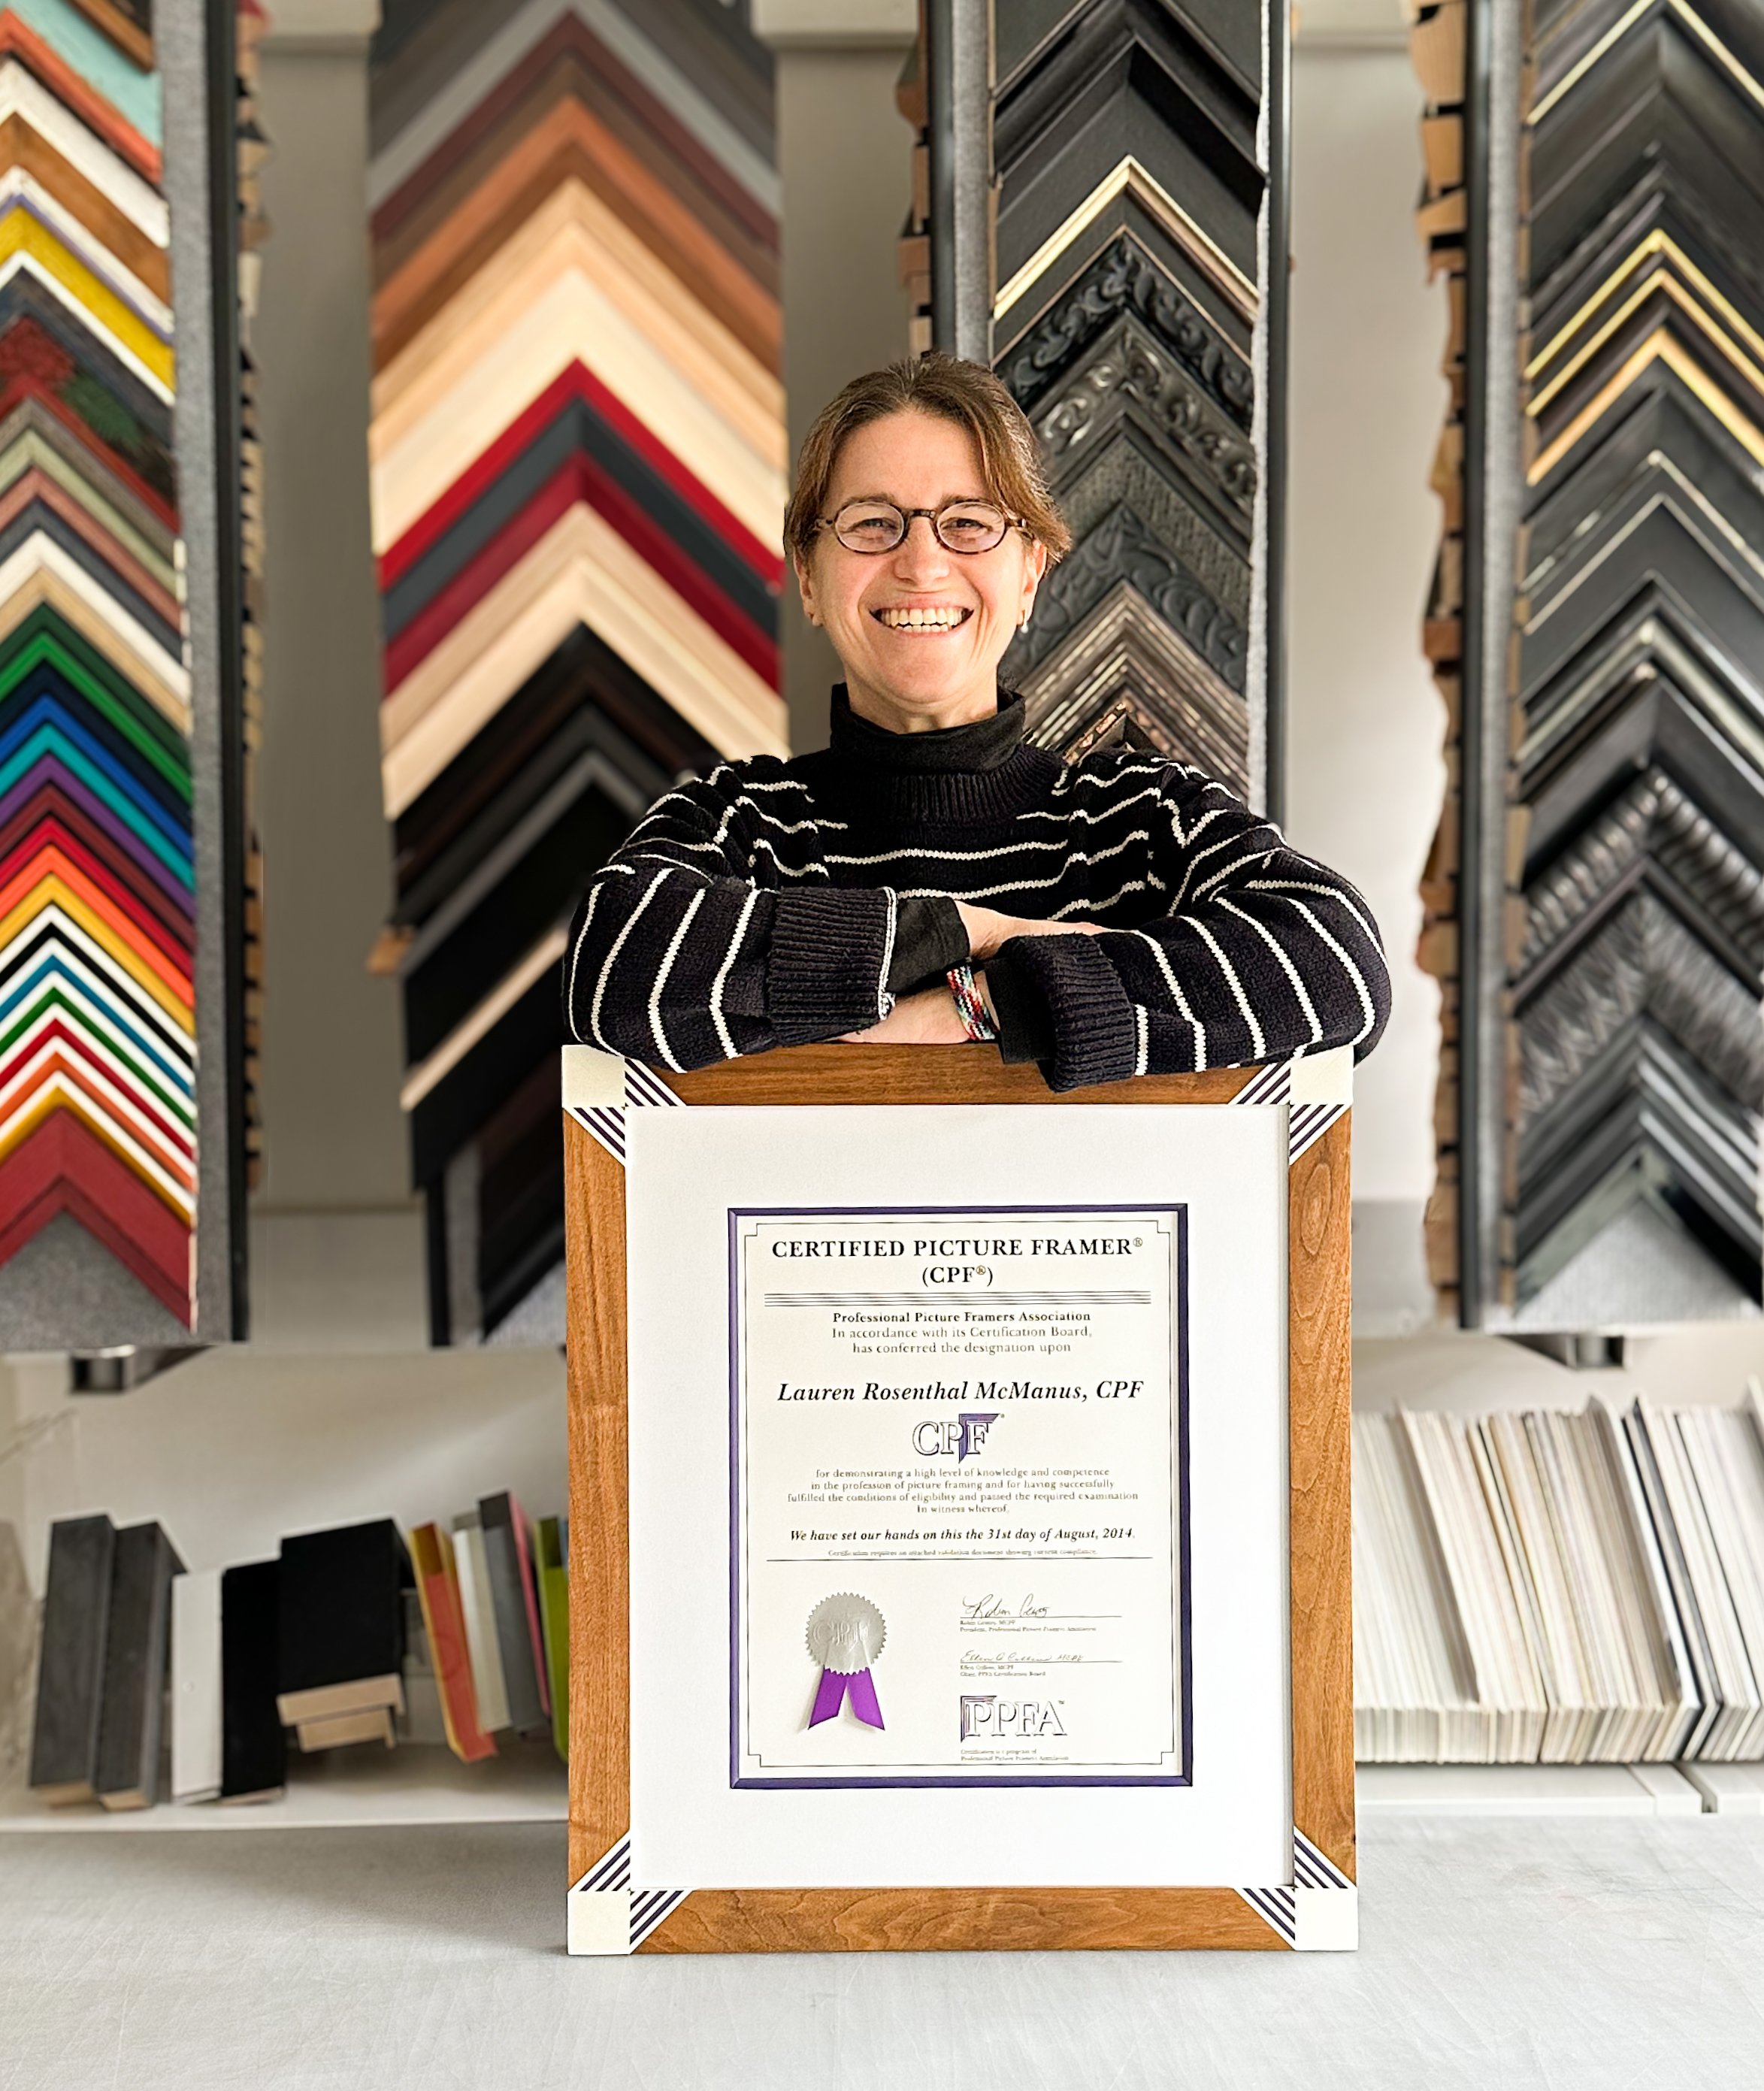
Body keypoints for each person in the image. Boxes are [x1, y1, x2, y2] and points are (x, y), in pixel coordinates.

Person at [563, 354, 1389, 1090]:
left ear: (1028, 575)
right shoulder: (742, 823)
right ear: (809, 578)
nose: (922, 563)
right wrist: (968, 929)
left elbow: (1340, 964)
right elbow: (611, 971)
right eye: (870, 524)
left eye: (967, 523)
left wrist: (982, 1002)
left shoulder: (1134, 824)